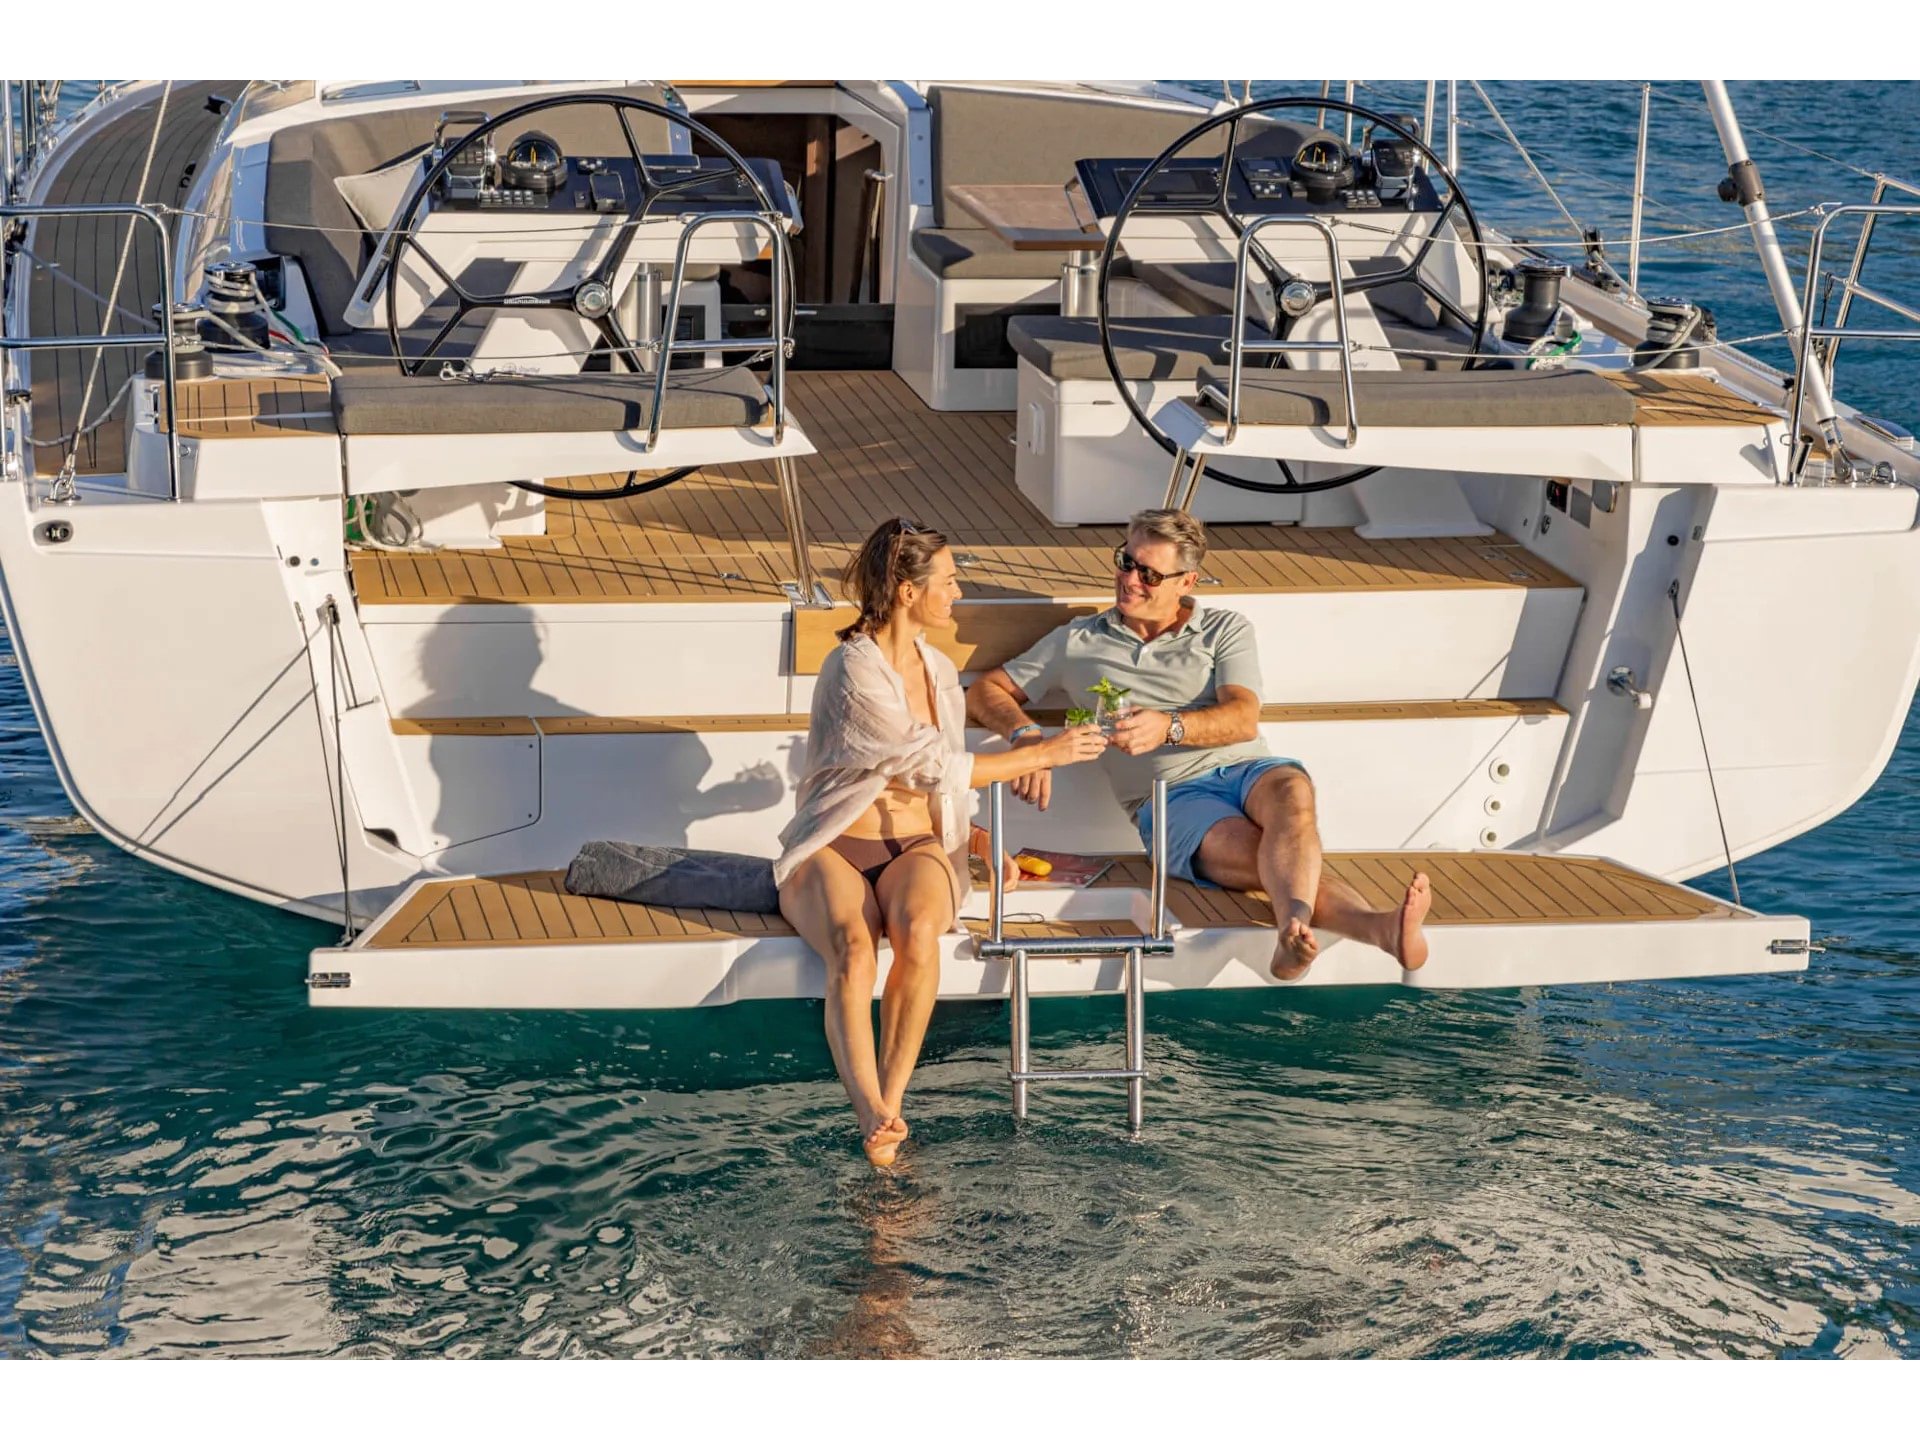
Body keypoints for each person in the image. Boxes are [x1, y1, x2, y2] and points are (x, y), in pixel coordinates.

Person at [967, 508, 1430, 983]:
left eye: (1149, 574)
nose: (1130, 580)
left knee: (1294, 793)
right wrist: (1027, 737)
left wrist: (1168, 727)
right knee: (1263, 856)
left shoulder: (1224, 629)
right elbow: (986, 690)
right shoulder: (1079, 640)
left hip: (1248, 769)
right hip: (1170, 798)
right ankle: (1358, 928)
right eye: (1126, 562)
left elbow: (1243, 718)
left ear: (1186, 581)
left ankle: (1298, 932)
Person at [775, 518, 1107, 1167]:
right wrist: (1046, 751)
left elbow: (941, 785)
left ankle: (891, 1107)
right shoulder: (852, 669)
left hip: (916, 845)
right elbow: (926, 764)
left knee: (920, 932)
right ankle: (867, 1108)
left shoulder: (938, 668)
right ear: (907, 591)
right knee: (853, 950)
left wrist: (976, 840)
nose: (957, 594)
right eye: (949, 581)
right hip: (838, 844)